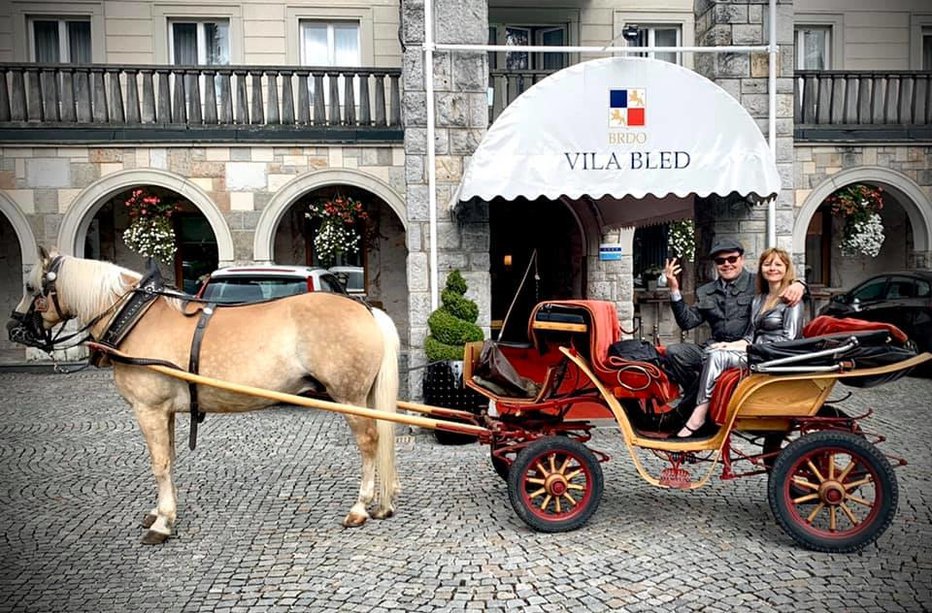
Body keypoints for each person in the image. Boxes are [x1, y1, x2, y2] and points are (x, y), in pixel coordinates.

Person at [661, 238, 806, 422]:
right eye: (721, 261)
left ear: (741, 259)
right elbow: (687, 322)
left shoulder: (758, 283)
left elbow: (783, 286)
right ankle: (700, 402)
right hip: (716, 346)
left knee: (714, 358)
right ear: (716, 265)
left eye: (732, 259)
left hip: (747, 349)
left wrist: (800, 284)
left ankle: (686, 412)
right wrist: (674, 288)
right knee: (675, 352)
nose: (727, 264)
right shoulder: (707, 291)